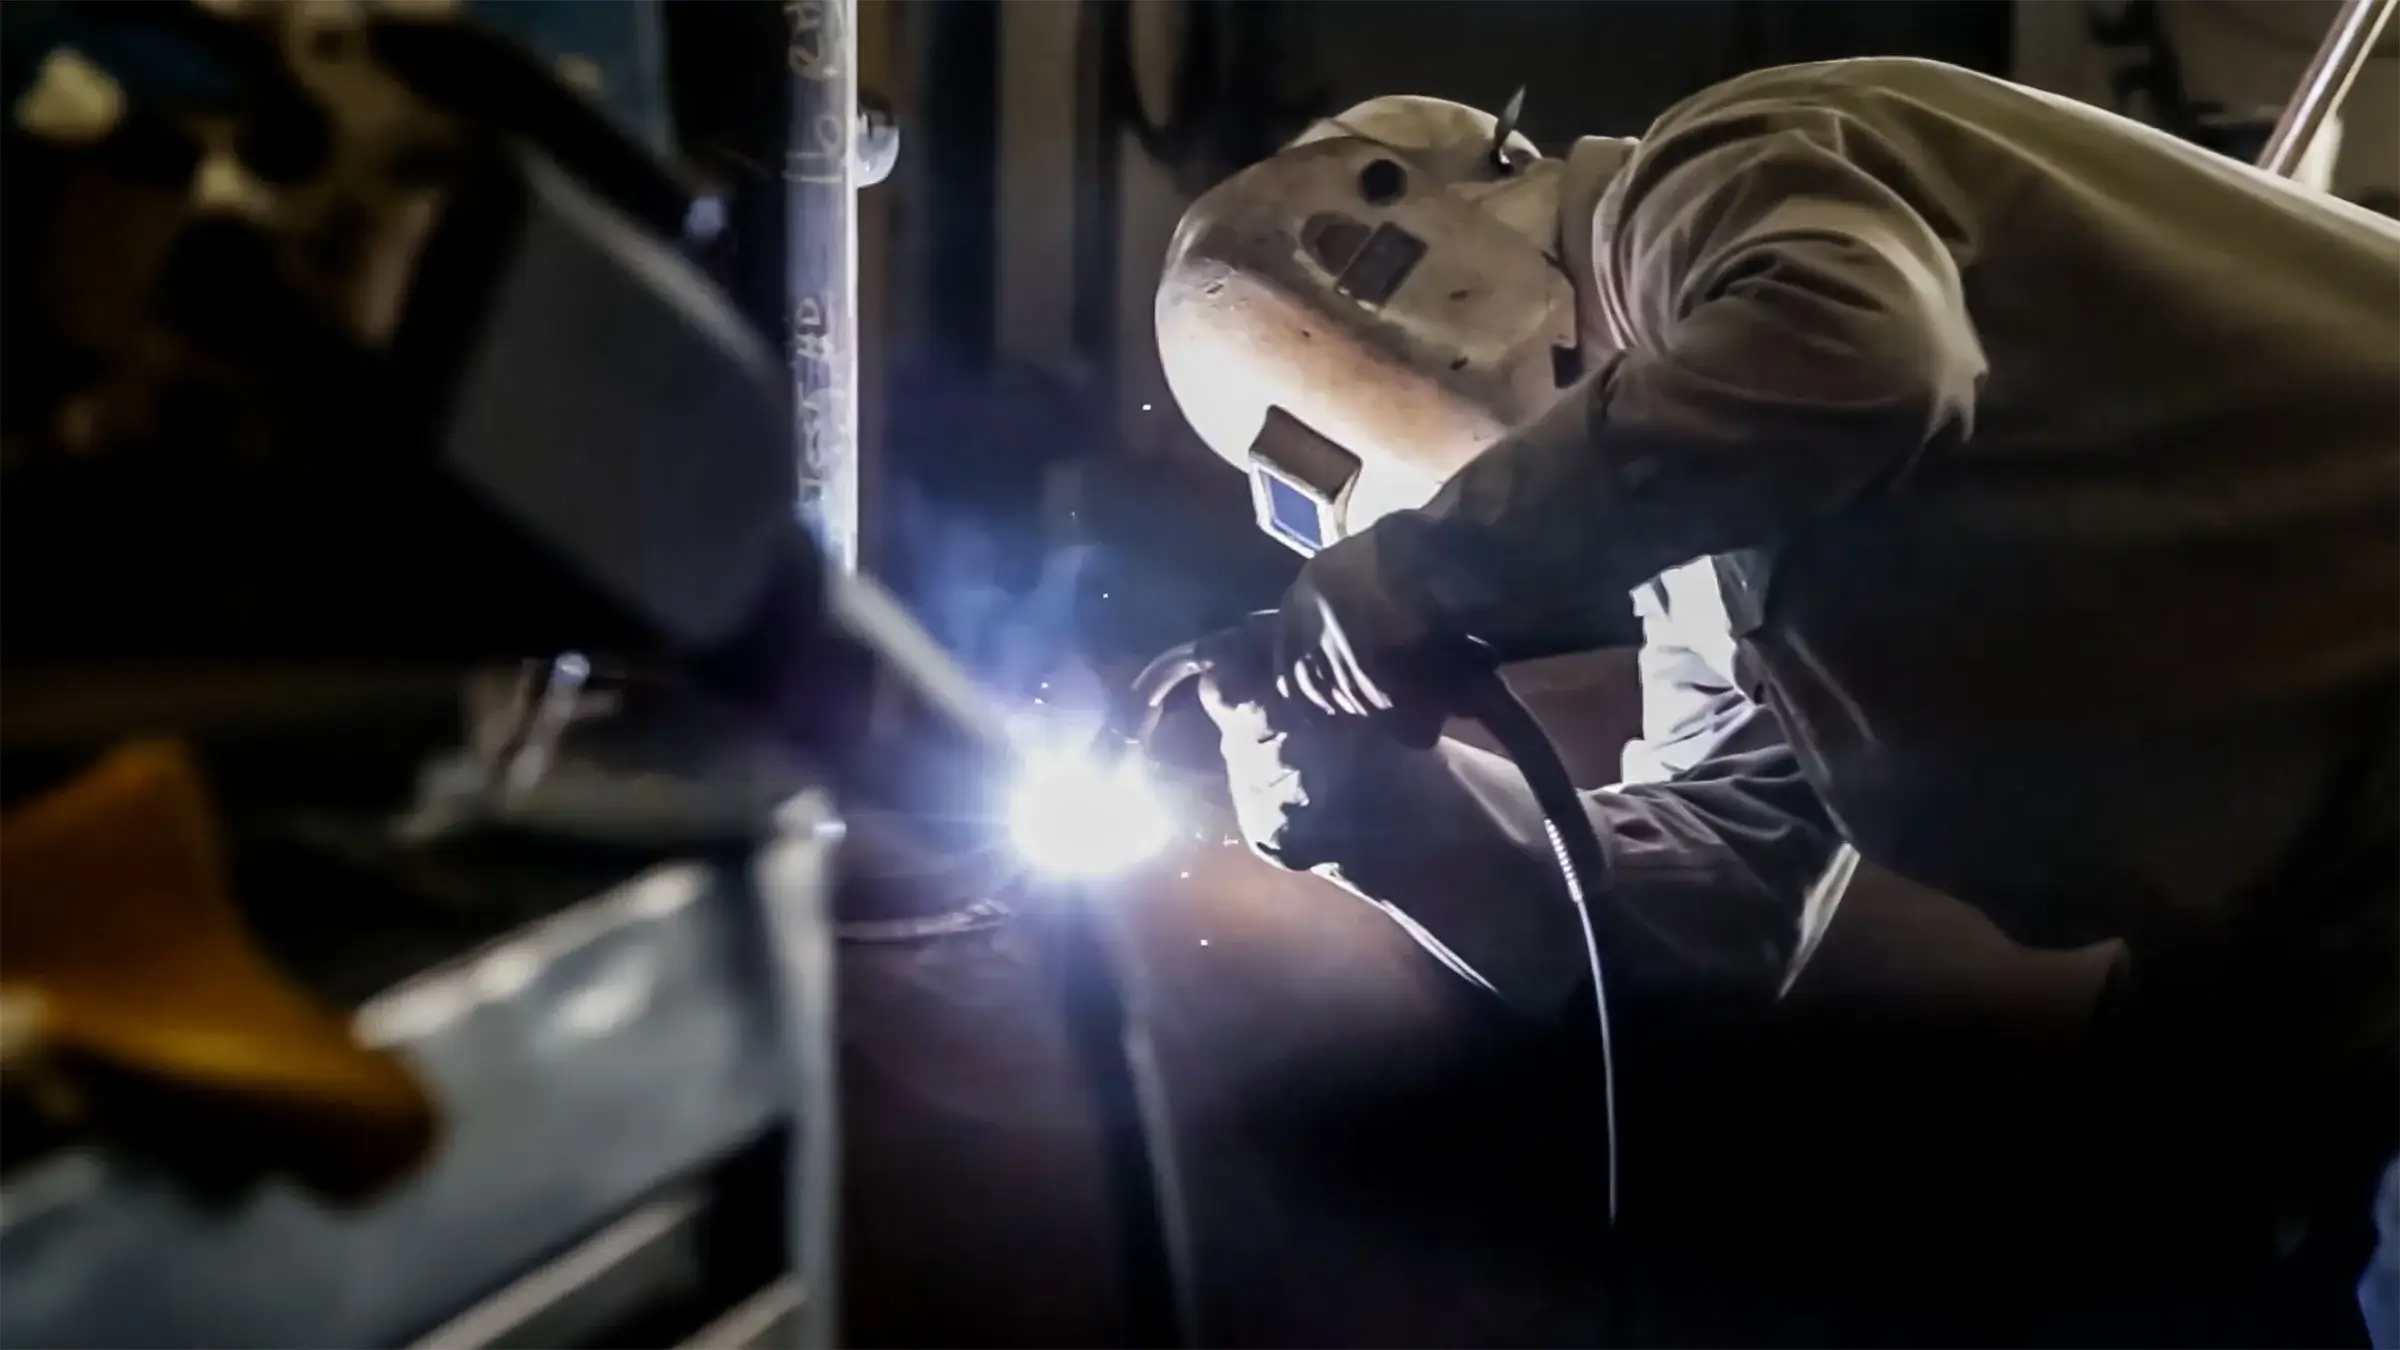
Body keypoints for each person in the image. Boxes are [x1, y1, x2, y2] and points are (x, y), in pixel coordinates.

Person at [1154, 60, 2398, 1343]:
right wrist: (1399, 821)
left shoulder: (1725, 168)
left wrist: (1428, 569)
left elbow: (1860, 350)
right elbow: (1716, 916)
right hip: (2327, 956)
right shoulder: (1707, 563)